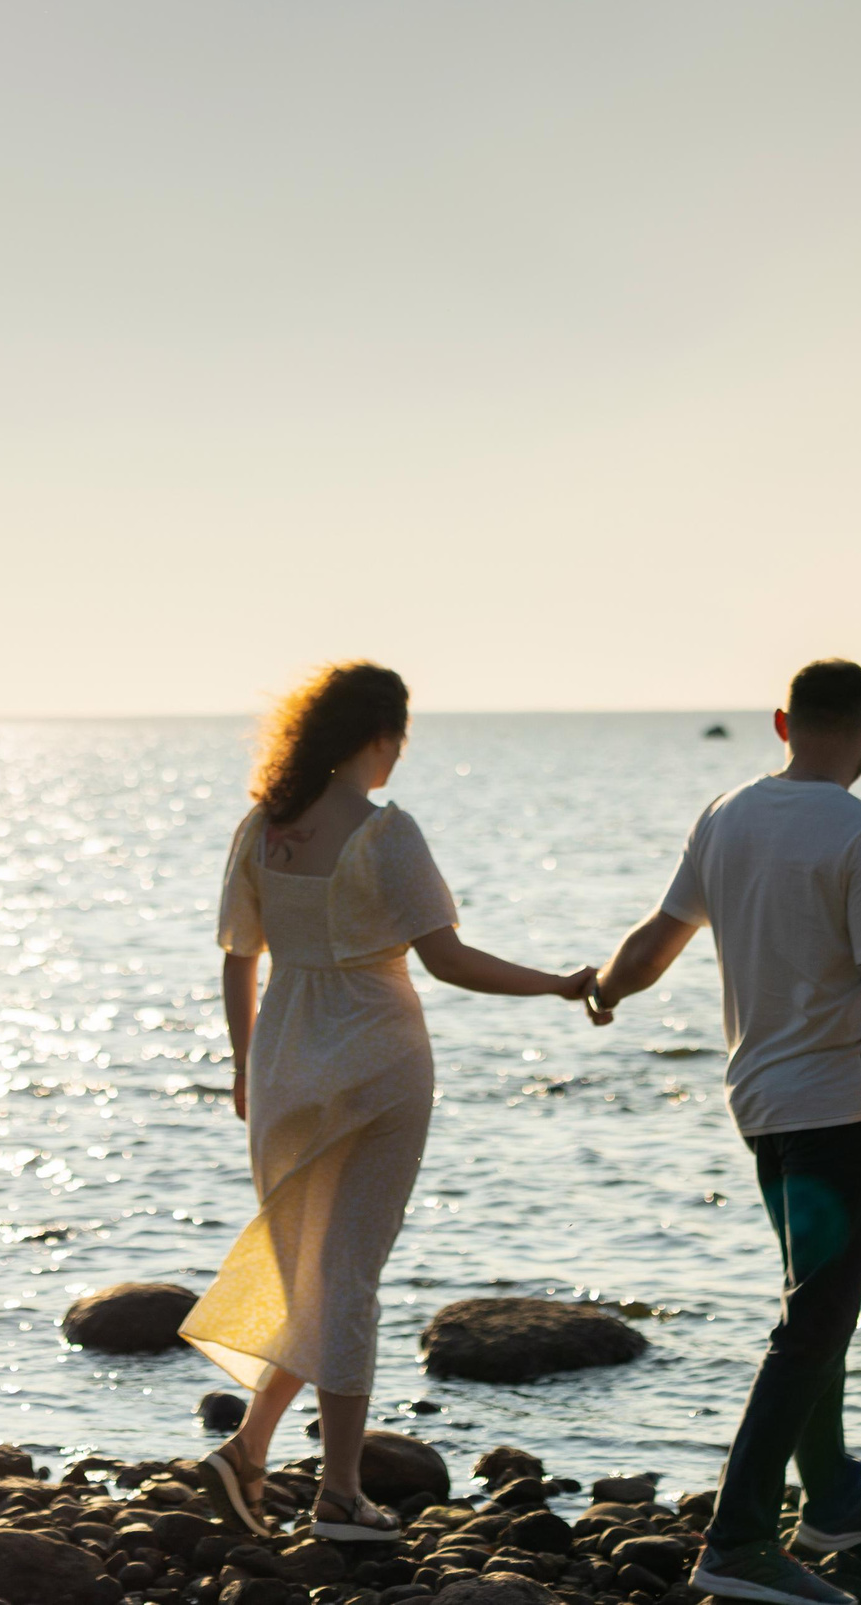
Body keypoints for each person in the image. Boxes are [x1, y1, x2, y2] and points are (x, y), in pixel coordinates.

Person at [586, 658, 861, 1605]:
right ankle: (737, 1543)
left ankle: (835, 1496)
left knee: (818, 1304)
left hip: (759, 1102)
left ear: (781, 722)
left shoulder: (725, 812)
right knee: (812, 1321)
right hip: (840, 1104)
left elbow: (658, 935)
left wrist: (603, 985)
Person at [182, 661, 597, 1542]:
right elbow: (449, 961)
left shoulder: (262, 826)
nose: (398, 756)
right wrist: (561, 984)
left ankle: (249, 1448)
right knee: (349, 1277)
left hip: (283, 1060)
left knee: (313, 1274)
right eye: (398, 739)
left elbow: (236, 957)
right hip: (376, 1058)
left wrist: (244, 1064)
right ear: (379, 736)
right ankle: (339, 1491)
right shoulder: (384, 832)